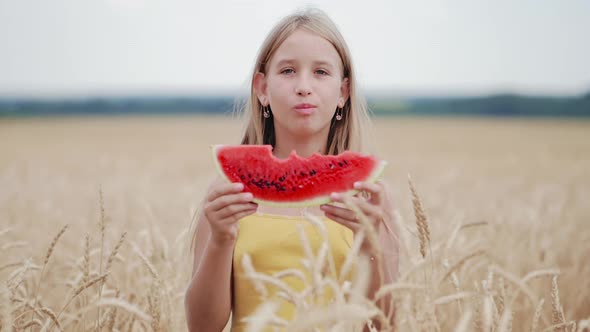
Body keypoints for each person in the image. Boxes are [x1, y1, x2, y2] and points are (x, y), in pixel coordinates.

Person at [184, 7, 399, 332]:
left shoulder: (368, 199)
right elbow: (202, 327)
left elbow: (386, 326)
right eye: (287, 71)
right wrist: (220, 239)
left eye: (321, 72)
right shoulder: (230, 193)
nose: (303, 86)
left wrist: (369, 244)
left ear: (343, 92)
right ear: (262, 88)